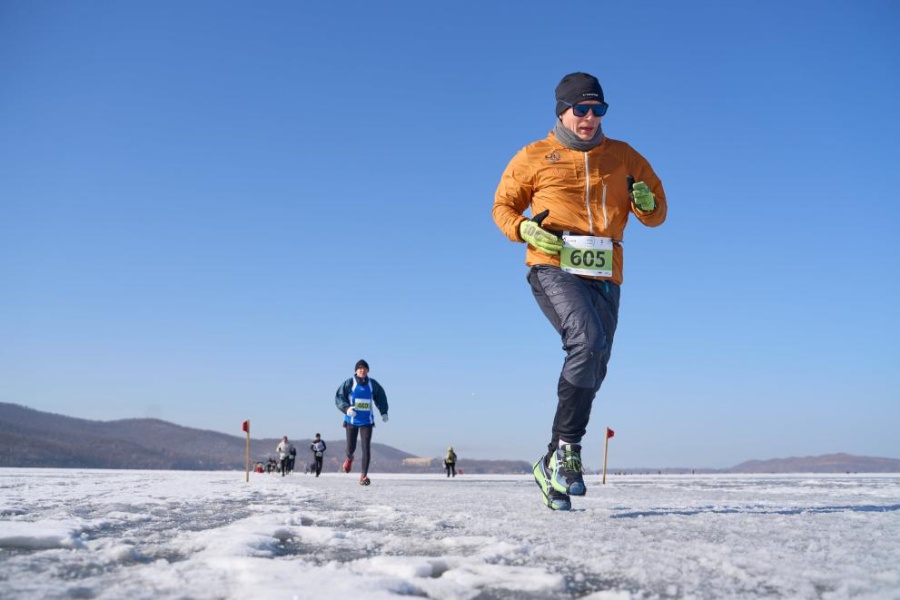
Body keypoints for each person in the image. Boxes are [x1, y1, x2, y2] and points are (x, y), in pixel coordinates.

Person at [492, 72, 667, 511]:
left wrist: (647, 203)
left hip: (606, 272)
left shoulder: (624, 157)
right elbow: (502, 206)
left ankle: (551, 460)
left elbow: (657, 211)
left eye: (598, 110)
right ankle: (570, 450)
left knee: (596, 361)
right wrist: (524, 227)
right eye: (581, 109)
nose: (590, 118)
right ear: (562, 112)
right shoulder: (533, 156)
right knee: (586, 342)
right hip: (553, 264)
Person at [334, 359, 389, 486]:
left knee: (366, 448)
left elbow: (381, 397)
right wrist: (347, 409)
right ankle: (349, 459)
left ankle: (363, 476)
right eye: (360, 368)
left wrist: (384, 412)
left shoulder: (372, 384)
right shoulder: (349, 383)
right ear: (356, 371)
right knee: (351, 448)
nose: (362, 370)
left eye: (364, 368)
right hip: (352, 421)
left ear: (367, 371)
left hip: (367, 422)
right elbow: (339, 397)